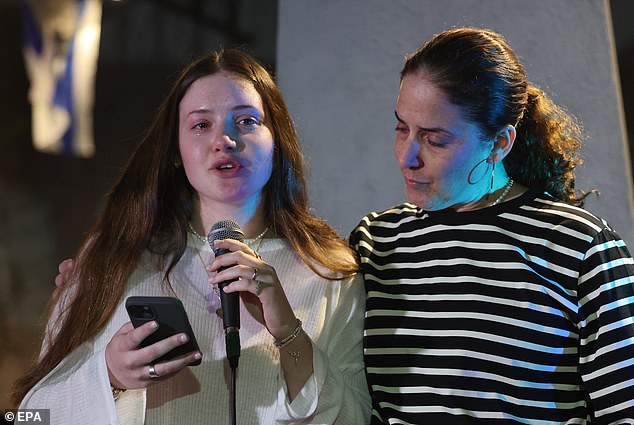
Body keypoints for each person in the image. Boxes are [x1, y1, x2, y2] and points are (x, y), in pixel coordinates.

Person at [12, 48, 371, 424]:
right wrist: (109, 377)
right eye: (201, 125)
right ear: (175, 152)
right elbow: (32, 416)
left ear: (277, 139)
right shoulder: (113, 257)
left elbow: (356, 417)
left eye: (246, 121)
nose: (225, 140)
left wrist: (288, 332)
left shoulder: (329, 270)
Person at [348, 27, 634, 424]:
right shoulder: (375, 241)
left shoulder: (581, 247)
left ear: (500, 143)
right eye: (401, 128)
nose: (407, 157)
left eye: (435, 139)